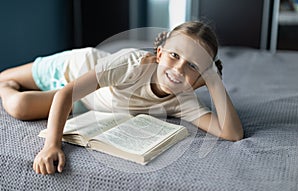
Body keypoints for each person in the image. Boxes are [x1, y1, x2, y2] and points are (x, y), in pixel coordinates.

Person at [0, 21, 243, 175]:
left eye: (193, 66)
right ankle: (6, 85)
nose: (179, 70)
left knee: (22, 106)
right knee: (5, 80)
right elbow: (66, 92)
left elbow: (232, 133)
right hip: (72, 70)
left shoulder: (184, 101)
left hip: (84, 104)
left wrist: (213, 80)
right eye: (174, 55)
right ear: (159, 54)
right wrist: (52, 145)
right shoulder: (131, 63)